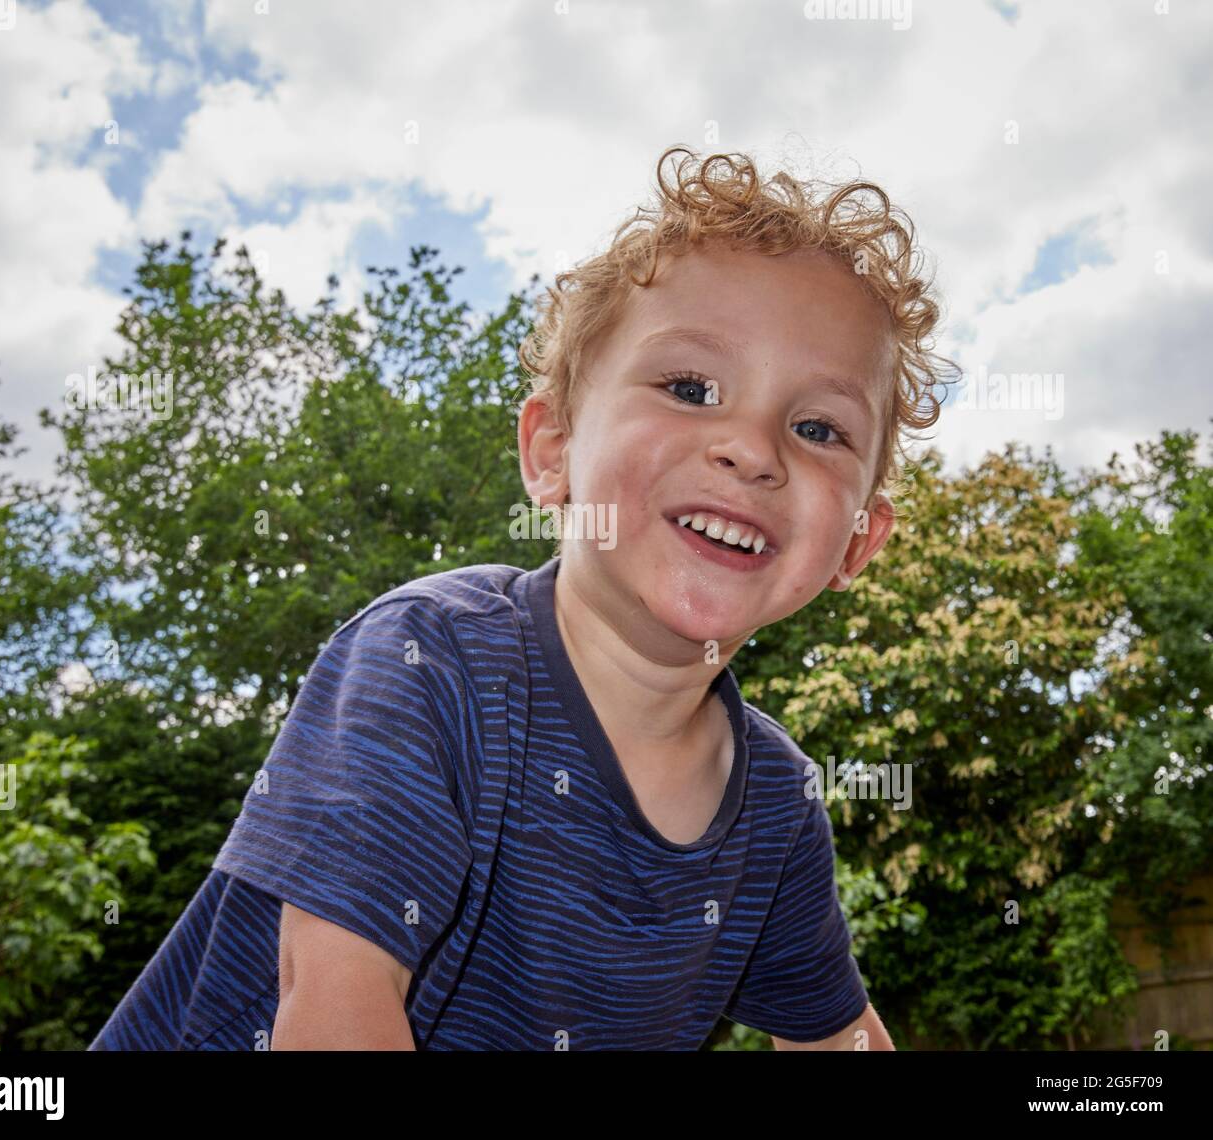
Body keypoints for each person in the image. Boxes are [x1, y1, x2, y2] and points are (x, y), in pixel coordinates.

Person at [90, 144, 954, 1050]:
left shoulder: (775, 802)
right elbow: (334, 998)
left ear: (858, 539)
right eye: (692, 388)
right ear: (551, 452)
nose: (753, 447)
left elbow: (837, 1037)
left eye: (818, 426)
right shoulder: (430, 662)